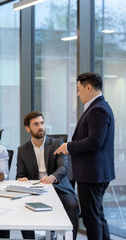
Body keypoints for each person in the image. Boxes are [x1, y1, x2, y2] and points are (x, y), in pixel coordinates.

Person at [54, 72, 115, 240]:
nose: (78, 94)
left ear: (88, 87)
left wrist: (69, 146)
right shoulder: (100, 107)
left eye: (79, 89)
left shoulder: (98, 109)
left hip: (92, 174)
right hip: (95, 172)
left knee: (91, 218)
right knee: (97, 215)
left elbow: (95, 141)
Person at [17, 111, 79, 240]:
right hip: (36, 190)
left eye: (42, 123)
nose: (40, 127)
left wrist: (53, 177)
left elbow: (63, 167)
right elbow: (20, 174)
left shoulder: (57, 143)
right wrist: (22, 179)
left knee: (72, 205)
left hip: (58, 187)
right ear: (27, 128)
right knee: (21, 206)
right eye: (36, 124)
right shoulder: (22, 149)